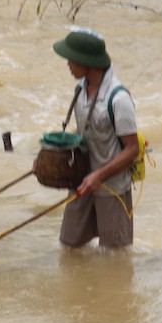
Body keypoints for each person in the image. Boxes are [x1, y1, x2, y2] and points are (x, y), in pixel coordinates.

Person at [50, 27, 139, 248]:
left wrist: (99, 175)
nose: (68, 65)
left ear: (87, 63)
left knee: (114, 256)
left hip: (111, 186)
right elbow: (81, 134)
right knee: (69, 246)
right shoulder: (80, 89)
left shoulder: (119, 100)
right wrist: (50, 159)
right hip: (81, 180)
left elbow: (132, 149)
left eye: (71, 59)